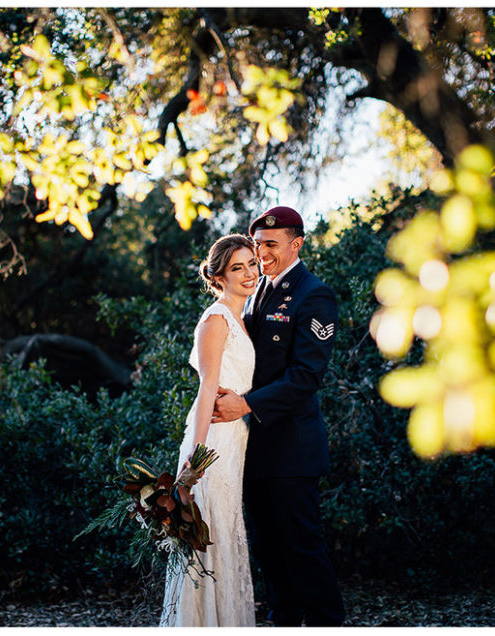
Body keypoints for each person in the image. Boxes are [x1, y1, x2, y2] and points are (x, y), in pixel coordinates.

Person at [213, 206, 347, 626]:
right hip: (251, 448)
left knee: (303, 550)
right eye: (258, 244)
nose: (262, 252)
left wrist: (247, 404)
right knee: (270, 554)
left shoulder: (314, 295)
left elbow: (306, 377)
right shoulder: (255, 292)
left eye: (271, 244)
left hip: (292, 448)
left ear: (297, 244)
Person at [160, 234, 258, 627]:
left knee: (225, 531)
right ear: (218, 276)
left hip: (237, 440)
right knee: (209, 536)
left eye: (252, 263)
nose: (250, 272)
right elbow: (206, 392)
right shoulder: (216, 320)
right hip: (213, 442)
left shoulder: (241, 318)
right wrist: (193, 462)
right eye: (238, 267)